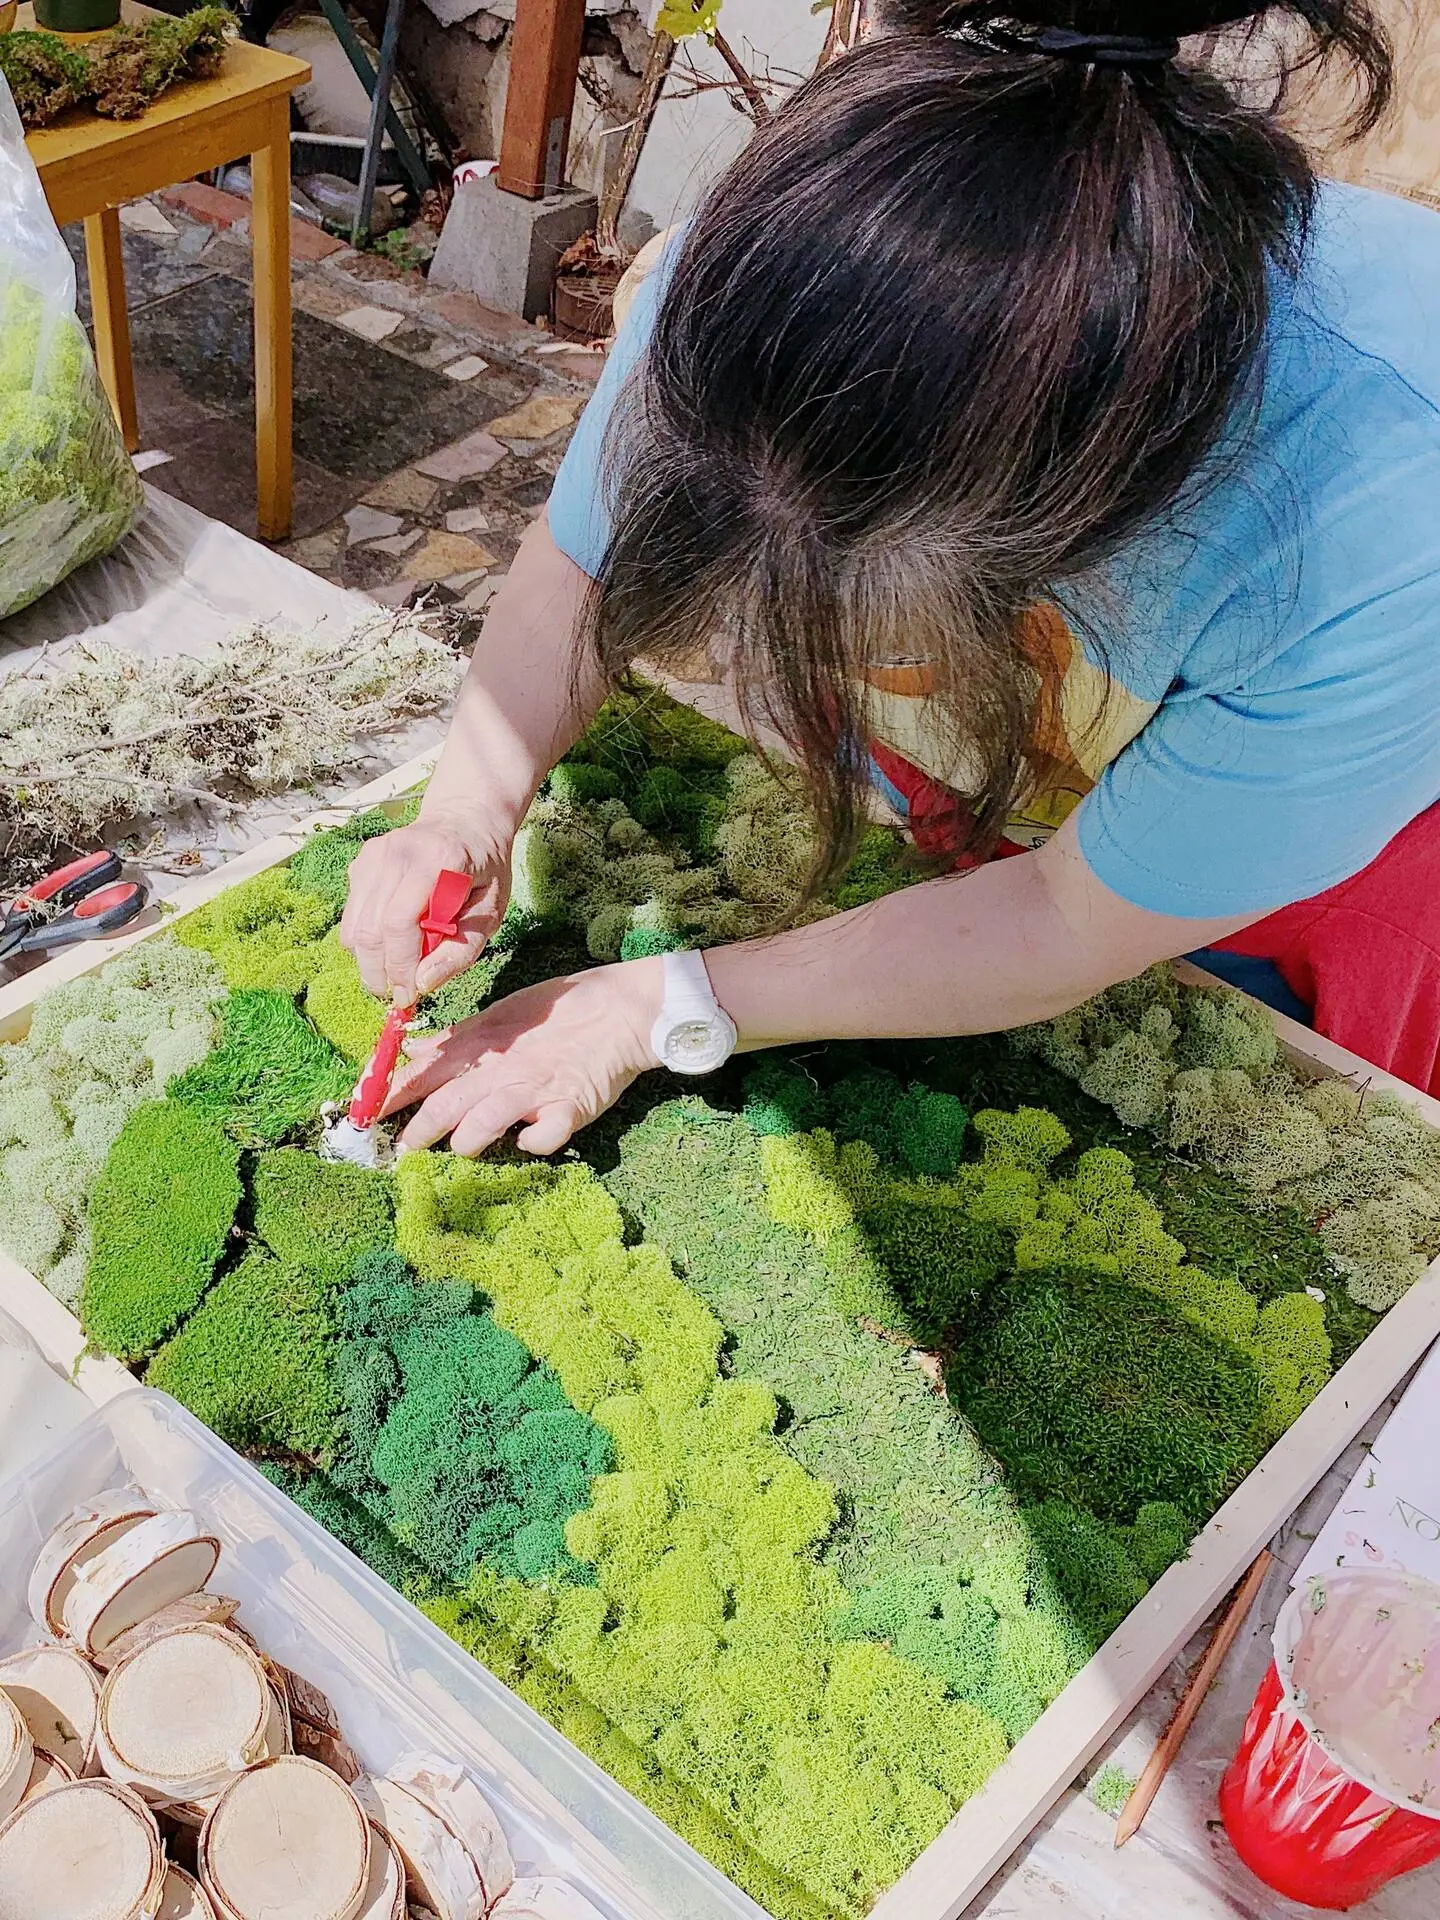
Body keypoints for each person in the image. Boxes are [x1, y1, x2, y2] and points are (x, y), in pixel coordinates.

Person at [341, 1, 1440, 1161]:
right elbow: (585, 560)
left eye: (859, 638)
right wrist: (469, 801)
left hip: (1361, 830)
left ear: (1061, 558)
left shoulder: (1377, 510)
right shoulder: (779, 272)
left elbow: (1071, 920)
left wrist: (656, 1006)